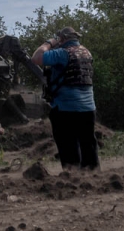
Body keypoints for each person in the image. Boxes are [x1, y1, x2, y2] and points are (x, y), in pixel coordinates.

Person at [31, 27, 99, 171]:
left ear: (62, 39)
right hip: (89, 108)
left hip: (66, 108)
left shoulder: (62, 53)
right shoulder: (86, 52)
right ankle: (94, 176)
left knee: (68, 145)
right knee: (88, 144)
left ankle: (72, 177)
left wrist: (49, 42)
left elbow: (36, 58)